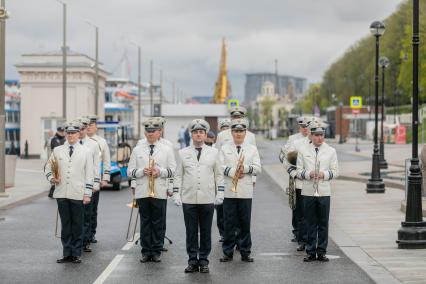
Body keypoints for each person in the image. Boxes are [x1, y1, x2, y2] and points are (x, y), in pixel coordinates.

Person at [173, 119, 224, 273]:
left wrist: (220, 192)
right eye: (196, 132)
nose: (199, 135)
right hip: (189, 198)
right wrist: (176, 193)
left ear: (205, 134)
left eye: (201, 132)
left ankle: (204, 261)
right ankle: (192, 261)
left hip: (207, 198)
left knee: (206, 231)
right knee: (191, 231)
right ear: (192, 135)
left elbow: (219, 175)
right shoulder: (182, 153)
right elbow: (178, 176)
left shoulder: (214, 153)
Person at [44, 121, 94, 264]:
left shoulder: (86, 151)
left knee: (77, 225)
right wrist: (52, 178)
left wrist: (87, 193)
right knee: (66, 225)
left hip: (78, 193)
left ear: (79, 134)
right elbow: (48, 168)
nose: (71, 135)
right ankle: (67, 253)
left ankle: (76, 253)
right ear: (66, 134)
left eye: (73, 133)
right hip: (61, 193)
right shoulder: (58, 150)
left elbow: (89, 174)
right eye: (69, 133)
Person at [127, 118, 176, 263]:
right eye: (148, 131)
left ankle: (156, 250)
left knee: (158, 222)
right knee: (145, 222)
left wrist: (159, 171)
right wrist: (142, 171)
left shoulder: (167, 149)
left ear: (159, 132)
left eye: (153, 131)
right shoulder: (137, 149)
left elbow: (173, 170)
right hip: (143, 190)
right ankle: (146, 251)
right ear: (145, 132)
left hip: (159, 190)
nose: (150, 134)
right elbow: (130, 171)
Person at [293, 121, 339, 262]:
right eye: (317, 135)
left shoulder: (331, 151)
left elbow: (336, 171)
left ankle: (322, 251)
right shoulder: (303, 151)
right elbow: (298, 171)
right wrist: (309, 174)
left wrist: (324, 174)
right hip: (308, 191)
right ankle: (311, 251)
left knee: (323, 223)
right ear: (311, 136)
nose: (320, 138)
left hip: (324, 191)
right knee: (310, 222)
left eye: (322, 135)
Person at [219, 118, 261, 263]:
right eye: (236, 131)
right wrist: (233, 172)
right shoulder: (224, 148)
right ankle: (228, 252)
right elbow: (220, 167)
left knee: (244, 223)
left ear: (245, 132)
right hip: (229, 190)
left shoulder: (252, 148)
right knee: (229, 223)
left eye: (241, 131)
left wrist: (246, 169)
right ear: (231, 132)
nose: (238, 134)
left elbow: (258, 168)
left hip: (245, 190)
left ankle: (245, 252)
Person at [279, 116, 311, 248]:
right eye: (303, 127)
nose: (305, 129)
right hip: (295, 178)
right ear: (299, 127)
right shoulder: (293, 139)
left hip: (308, 179)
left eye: (307, 127)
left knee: (306, 210)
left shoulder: (313, 138)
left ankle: (305, 236)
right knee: (296, 207)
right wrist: (292, 170)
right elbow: (284, 156)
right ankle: (297, 232)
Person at [77, 117, 101, 253]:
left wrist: (95, 184)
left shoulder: (93, 144)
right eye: (78, 129)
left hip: (88, 184)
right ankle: (76, 240)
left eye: (82, 129)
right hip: (74, 185)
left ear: (86, 129)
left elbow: (96, 166)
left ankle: (85, 241)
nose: (80, 132)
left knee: (87, 214)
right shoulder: (70, 143)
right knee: (76, 215)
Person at [86, 115, 111, 244]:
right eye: (87, 125)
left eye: (91, 125)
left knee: (92, 209)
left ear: (96, 127)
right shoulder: (80, 140)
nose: (89, 127)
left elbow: (106, 161)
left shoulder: (101, 142)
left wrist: (105, 178)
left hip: (95, 179)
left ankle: (91, 234)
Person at [48, 126, 66, 198]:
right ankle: (52, 193)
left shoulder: (65, 139)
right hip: (56, 161)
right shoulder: (55, 139)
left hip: (63, 161)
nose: (62, 133)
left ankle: (54, 193)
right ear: (58, 131)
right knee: (56, 177)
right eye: (60, 132)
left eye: (63, 131)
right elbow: (55, 149)